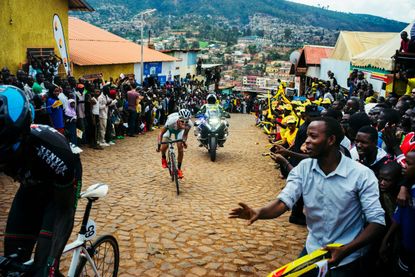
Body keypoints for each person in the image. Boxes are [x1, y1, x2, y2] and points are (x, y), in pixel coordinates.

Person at [230, 117, 385, 276]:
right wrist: (259, 212)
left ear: (331, 139)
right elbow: (283, 202)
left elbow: (377, 222)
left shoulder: (362, 175)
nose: (307, 141)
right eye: (307, 136)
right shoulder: (303, 168)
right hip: (313, 251)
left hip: (347, 259)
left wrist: (345, 250)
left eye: (313, 136)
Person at [0, 85, 82, 276]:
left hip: (59, 192)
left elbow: (64, 212)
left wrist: (50, 263)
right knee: (11, 262)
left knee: (43, 268)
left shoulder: (53, 153)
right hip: (31, 186)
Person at [157, 109, 193, 179]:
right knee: (164, 146)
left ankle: (179, 169)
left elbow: (185, 135)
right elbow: (161, 133)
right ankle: (163, 158)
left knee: (180, 148)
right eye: (182, 121)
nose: (184, 123)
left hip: (179, 132)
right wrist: (159, 145)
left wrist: (184, 142)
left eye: (186, 122)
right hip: (169, 130)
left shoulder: (189, 124)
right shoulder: (171, 122)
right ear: (178, 119)